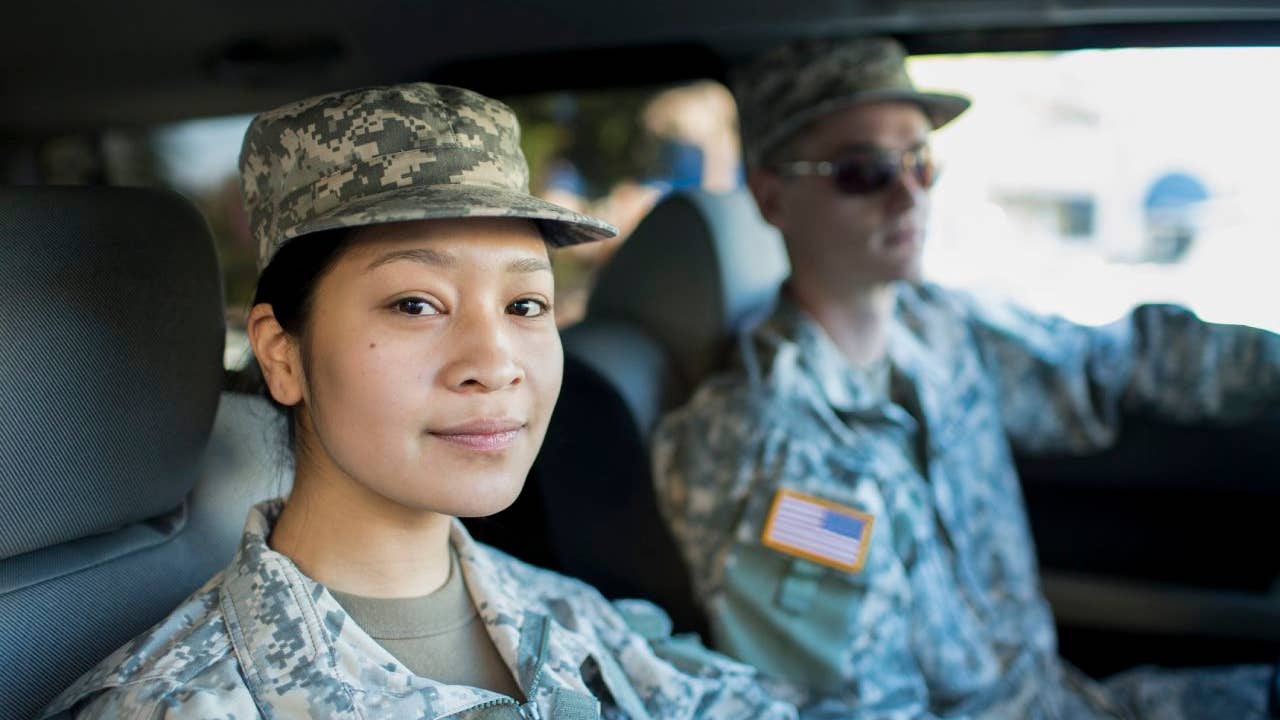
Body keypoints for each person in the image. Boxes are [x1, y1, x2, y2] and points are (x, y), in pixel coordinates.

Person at [40, 82, 796, 719]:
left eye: (526, 305)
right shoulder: (178, 704)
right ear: (283, 355)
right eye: (415, 304)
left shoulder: (569, 615)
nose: (493, 364)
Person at [651, 37, 1280, 719]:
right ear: (773, 195)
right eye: (862, 170)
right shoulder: (761, 443)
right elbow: (856, 710)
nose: (907, 194)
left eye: (921, 161)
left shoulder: (940, 328)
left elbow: (1113, 362)